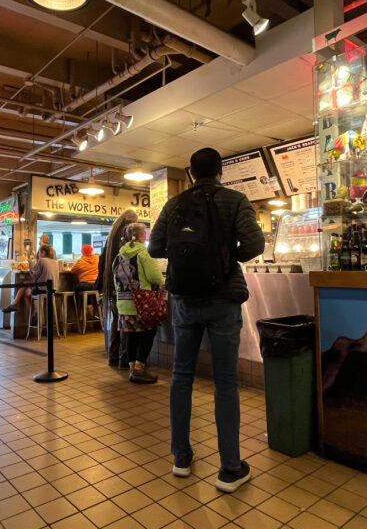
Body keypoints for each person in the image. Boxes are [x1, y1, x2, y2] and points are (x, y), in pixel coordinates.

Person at [149, 147, 265, 493]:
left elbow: (154, 248)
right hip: (223, 299)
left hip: (185, 300)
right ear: (221, 171)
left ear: (190, 172)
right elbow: (256, 243)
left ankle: (181, 458)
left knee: (181, 375)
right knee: (225, 382)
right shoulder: (236, 200)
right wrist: (229, 256)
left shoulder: (174, 204)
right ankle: (230, 468)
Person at [114, 222, 164, 384]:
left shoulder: (118, 255)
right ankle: (139, 368)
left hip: (123, 302)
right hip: (142, 302)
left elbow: (116, 280)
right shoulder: (143, 253)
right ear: (141, 235)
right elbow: (155, 277)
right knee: (148, 332)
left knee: (131, 335)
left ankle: (132, 367)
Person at [97, 209, 138, 368]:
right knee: (125, 323)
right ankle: (124, 360)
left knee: (116, 322)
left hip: (111, 285)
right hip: (122, 286)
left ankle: (113, 357)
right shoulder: (126, 235)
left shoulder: (112, 235)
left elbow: (102, 261)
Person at [2, 245, 58, 315]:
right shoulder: (55, 262)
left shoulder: (42, 260)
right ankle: (16, 305)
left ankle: (29, 313)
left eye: (39, 253)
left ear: (43, 252)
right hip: (53, 289)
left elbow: (35, 274)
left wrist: (30, 263)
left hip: (43, 289)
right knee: (26, 285)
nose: (39, 255)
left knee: (25, 290)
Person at [71, 244, 99, 320]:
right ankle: (92, 308)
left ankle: (78, 313)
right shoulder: (97, 258)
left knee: (74, 288)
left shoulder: (80, 261)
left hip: (85, 285)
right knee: (91, 291)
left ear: (82, 252)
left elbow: (72, 270)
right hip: (96, 285)